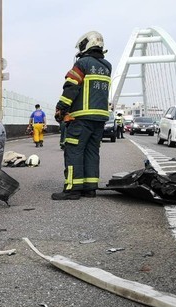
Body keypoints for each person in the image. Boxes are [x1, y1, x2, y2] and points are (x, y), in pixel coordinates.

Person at [52, 31, 112, 200]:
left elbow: (71, 87)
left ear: (86, 44)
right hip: (99, 119)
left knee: (74, 151)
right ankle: (90, 187)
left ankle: (72, 189)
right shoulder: (107, 66)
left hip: (81, 118)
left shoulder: (82, 63)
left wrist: (61, 108)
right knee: (92, 152)